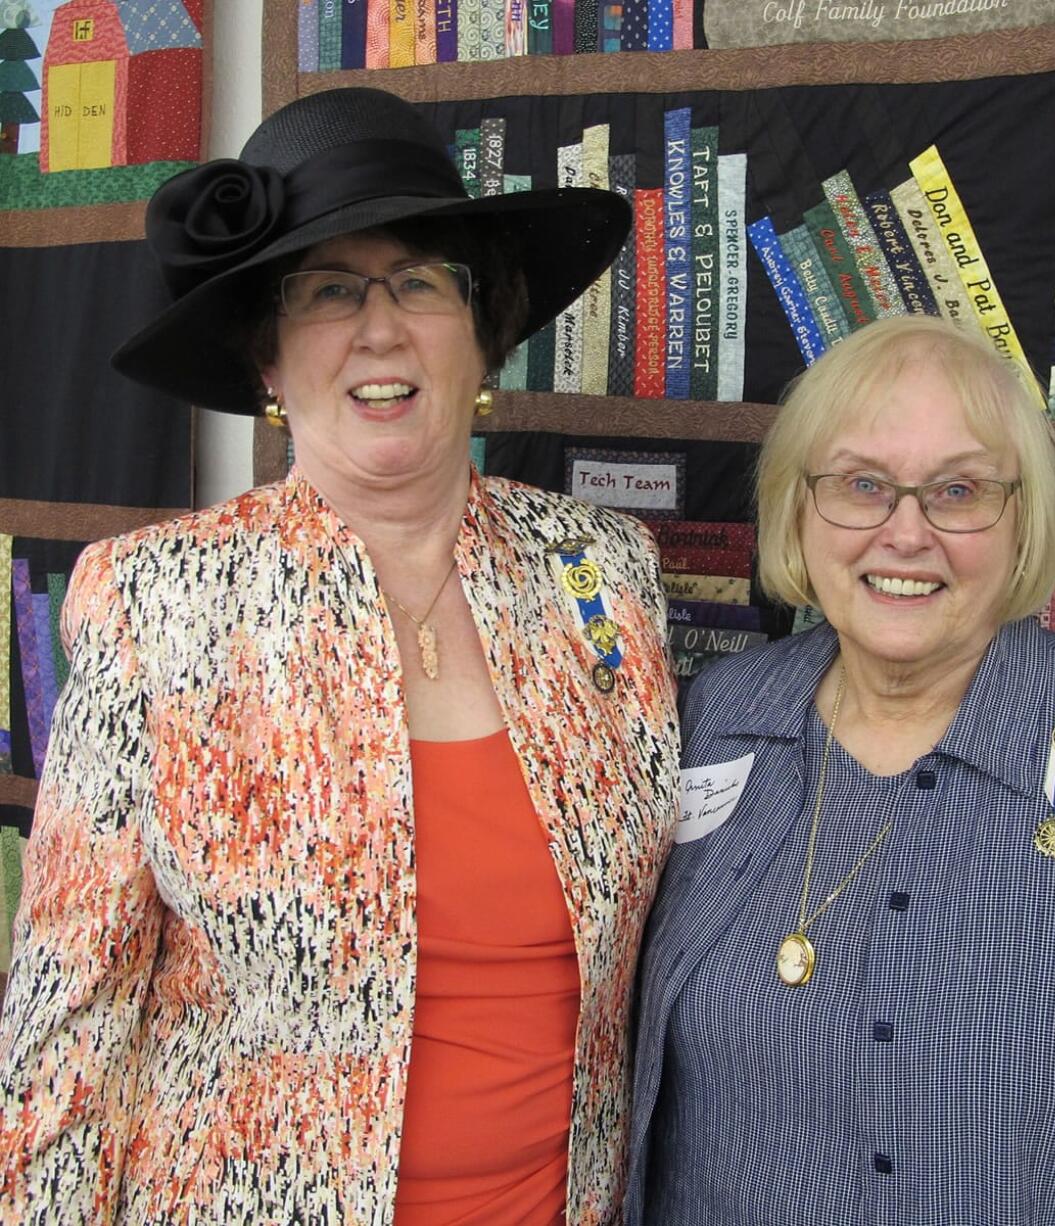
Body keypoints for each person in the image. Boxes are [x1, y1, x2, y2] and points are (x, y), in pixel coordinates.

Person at [0, 87, 679, 1225]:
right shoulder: (157, 600)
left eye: (420, 280)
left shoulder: (604, 572)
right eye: (329, 290)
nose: (380, 326)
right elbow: (68, 1018)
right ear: (267, 358)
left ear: (482, 334)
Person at [625, 314, 1055, 1225]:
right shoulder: (712, 724)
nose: (905, 534)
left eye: (959, 490)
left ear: (1024, 522)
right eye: (863, 484)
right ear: (797, 507)